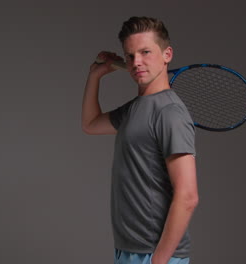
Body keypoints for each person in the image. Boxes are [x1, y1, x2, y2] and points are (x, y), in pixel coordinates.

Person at [81, 17, 199, 264]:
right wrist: (95, 76)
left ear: (167, 54)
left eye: (145, 52)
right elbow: (90, 125)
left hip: (154, 255)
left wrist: (158, 261)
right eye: (130, 56)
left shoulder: (170, 113)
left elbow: (188, 196)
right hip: (129, 249)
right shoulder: (136, 108)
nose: (136, 62)